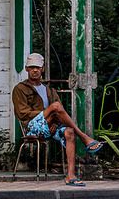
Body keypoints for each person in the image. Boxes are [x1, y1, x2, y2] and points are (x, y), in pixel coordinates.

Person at [12, 52, 104, 187]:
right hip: (32, 127)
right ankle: (84, 138)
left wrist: (53, 121)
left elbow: (59, 112)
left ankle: (71, 176)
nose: (35, 70)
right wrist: (47, 114)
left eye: (37, 67)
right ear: (26, 69)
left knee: (69, 132)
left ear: (42, 69)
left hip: (50, 126)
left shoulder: (49, 90)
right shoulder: (20, 89)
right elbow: (22, 113)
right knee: (54, 106)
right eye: (31, 67)